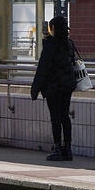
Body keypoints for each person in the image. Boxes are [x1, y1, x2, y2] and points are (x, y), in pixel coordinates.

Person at [30, 15, 78, 161]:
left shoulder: (51, 45)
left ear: (53, 29)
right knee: (65, 116)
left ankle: (57, 147)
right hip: (67, 85)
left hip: (53, 87)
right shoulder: (69, 43)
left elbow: (43, 68)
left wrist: (35, 89)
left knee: (55, 118)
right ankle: (67, 148)